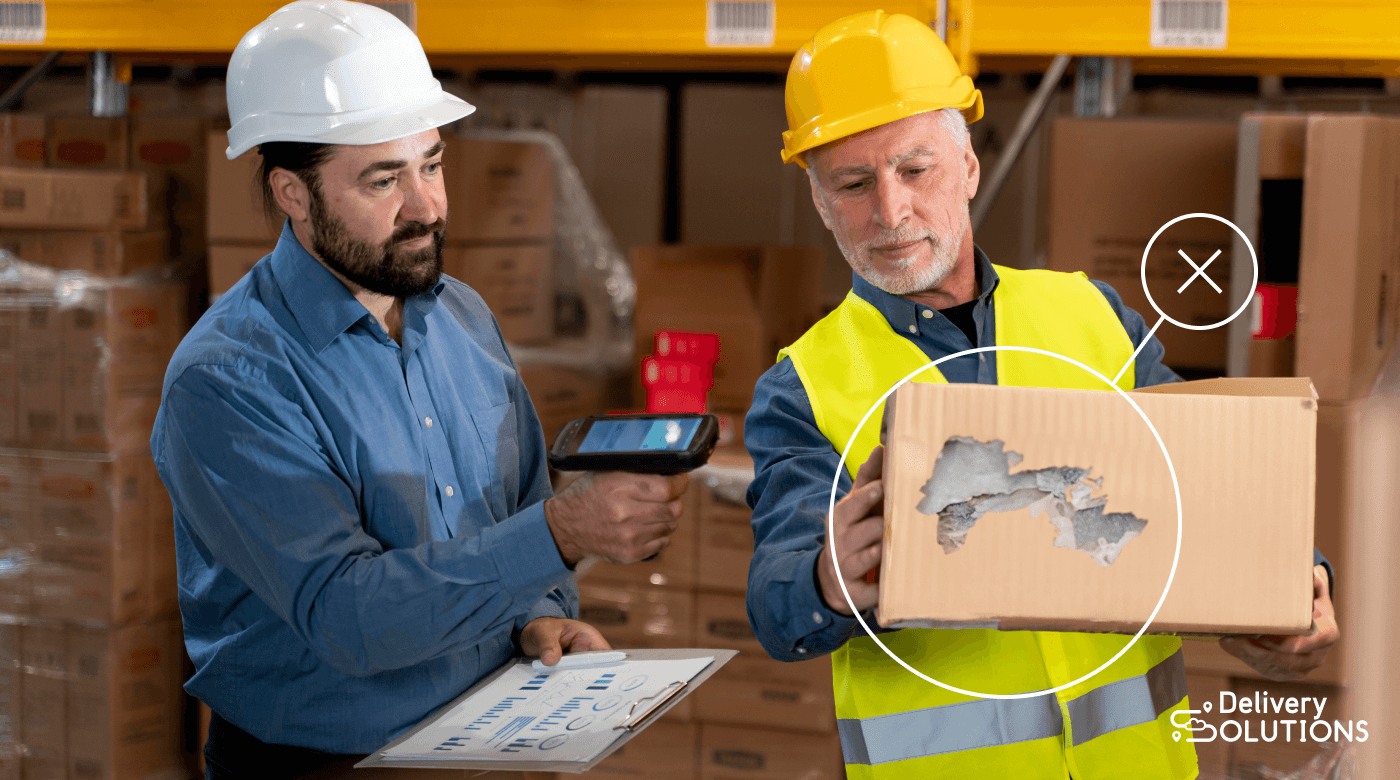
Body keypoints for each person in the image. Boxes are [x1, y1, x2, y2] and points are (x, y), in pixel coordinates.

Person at [743, 10, 1338, 779]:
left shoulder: (1090, 316)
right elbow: (774, 600)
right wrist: (823, 580)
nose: (890, 213)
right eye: (853, 185)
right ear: (821, 203)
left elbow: (1211, 477)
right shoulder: (803, 386)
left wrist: (1295, 582)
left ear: (968, 169)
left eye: (915, 170)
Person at [150, 3, 686, 777]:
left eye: (431, 164)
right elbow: (349, 616)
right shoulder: (230, 379)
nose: (428, 207)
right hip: (319, 761)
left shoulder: (460, 315)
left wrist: (538, 619)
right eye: (383, 180)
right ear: (293, 193)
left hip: (491, 733)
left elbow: (513, 510)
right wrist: (564, 534)